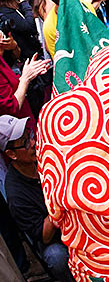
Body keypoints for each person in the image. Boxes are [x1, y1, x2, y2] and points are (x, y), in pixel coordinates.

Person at [0, 116, 74, 282]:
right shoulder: (16, 194)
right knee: (56, 257)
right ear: (11, 154)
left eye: (30, 135)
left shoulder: (43, 155)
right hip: (56, 238)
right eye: (25, 143)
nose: (33, 143)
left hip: (73, 220)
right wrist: (57, 203)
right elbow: (45, 236)